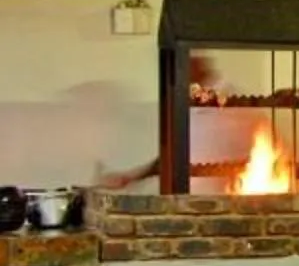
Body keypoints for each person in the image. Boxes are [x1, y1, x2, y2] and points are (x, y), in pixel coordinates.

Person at [100, 53, 260, 190]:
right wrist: (131, 177)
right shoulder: (186, 103)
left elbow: (261, 148)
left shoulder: (233, 100)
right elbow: (170, 157)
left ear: (199, 67)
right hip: (187, 203)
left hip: (229, 202)